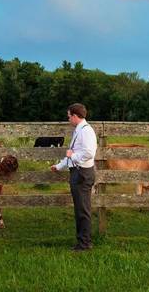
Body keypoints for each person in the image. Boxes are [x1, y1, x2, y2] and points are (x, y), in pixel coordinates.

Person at [50, 103, 97, 251]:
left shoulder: (86, 131)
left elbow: (89, 153)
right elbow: (72, 153)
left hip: (82, 174)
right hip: (78, 172)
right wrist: (59, 166)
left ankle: (85, 244)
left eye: (69, 116)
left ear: (75, 116)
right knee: (80, 209)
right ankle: (82, 241)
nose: (68, 118)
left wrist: (73, 156)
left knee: (82, 210)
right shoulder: (80, 130)